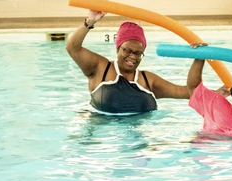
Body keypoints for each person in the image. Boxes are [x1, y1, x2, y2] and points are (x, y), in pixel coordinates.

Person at [67, 11, 199, 114]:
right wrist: (89, 21)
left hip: (139, 140)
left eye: (138, 53)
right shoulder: (100, 68)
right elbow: (72, 48)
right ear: (118, 48)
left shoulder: (148, 80)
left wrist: (199, 58)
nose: (132, 57)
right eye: (127, 51)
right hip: (103, 140)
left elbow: (185, 92)